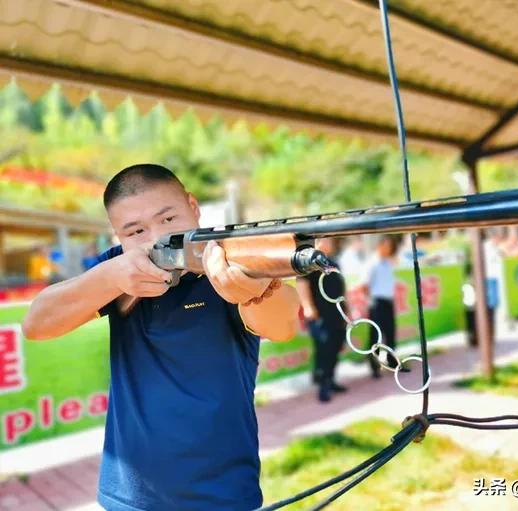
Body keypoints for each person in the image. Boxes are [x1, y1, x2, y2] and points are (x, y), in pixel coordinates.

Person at [21, 164, 301, 511]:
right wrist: (112, 278)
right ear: (118, 237)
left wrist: (252, 291)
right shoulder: (120, 268)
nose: (157, 238)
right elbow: (37, 323)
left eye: (168, 220)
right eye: (136, 230)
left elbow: (283, 324)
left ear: (193, 207)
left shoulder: (226, 257)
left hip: (223, 493)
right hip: (129, 494)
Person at [297, 237, 348, 402]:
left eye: (330, 241)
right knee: (324, 350)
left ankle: (331, 380)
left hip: (337, 314)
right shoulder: (309, 262)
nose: (328, 243)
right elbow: (302, 284)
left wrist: (347, 311)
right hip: (319, 315)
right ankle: (323, 387)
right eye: (324, 240)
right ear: (317, 243)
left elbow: (341, 289)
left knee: (335, 348)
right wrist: (308, 306)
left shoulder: (334, 263)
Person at [359, 235, 405, 378]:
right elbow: (364, 285)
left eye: (390, 245)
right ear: (379, 245)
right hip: (376, 303)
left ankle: (392, 363)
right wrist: (370, 300)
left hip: (388, 302)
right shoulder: (371, 263)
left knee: (390, 333)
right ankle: (374, 366)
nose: (388, 248)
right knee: (376, 337)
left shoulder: (387, 263)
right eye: (386, 244)